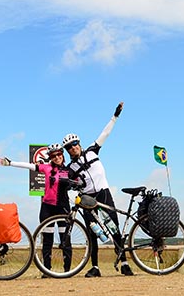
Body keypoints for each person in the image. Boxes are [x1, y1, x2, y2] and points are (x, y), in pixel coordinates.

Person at [64, 101, 134, 278]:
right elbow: (63, 179)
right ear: (67, 151)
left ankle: (125, 263)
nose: (73, 148)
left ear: (79, 144)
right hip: (88, 199)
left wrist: (115, 116)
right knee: (92, 232)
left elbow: (105, 133)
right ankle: (95, 267)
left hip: (104, 194)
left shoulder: (92, 152)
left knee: (114, 228)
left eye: (75, 144)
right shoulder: (70, 167)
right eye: (69, 147)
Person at [0, 143, 72, 274]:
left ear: (63, 154)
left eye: (59, 154)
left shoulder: (69, 171)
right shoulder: (47, 168)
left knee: (65, 240)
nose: (57, 157)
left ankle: (67, 270)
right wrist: (11, 163)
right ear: (50, 157)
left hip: (63, 208)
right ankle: (46, 270)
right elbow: (29, 166)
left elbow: (81, 182)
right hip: (47, 208)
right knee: (47, 240)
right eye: (53, 156)